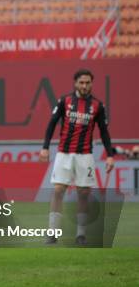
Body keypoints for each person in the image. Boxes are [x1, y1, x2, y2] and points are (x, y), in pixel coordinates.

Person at [39, 69, 114, 246]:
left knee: (83, 193)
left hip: (85, 155)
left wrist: (110, 155)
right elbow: (52, 124)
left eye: (88, 83)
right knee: (58, 190)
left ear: (91, 84)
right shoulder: (65, 101)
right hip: (64, 154)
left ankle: (81, 234)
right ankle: (53, 232)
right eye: (81, 82)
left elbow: (104, 132)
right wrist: (45, 147)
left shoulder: (98, 106)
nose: (85, 86)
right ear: (75, 83)